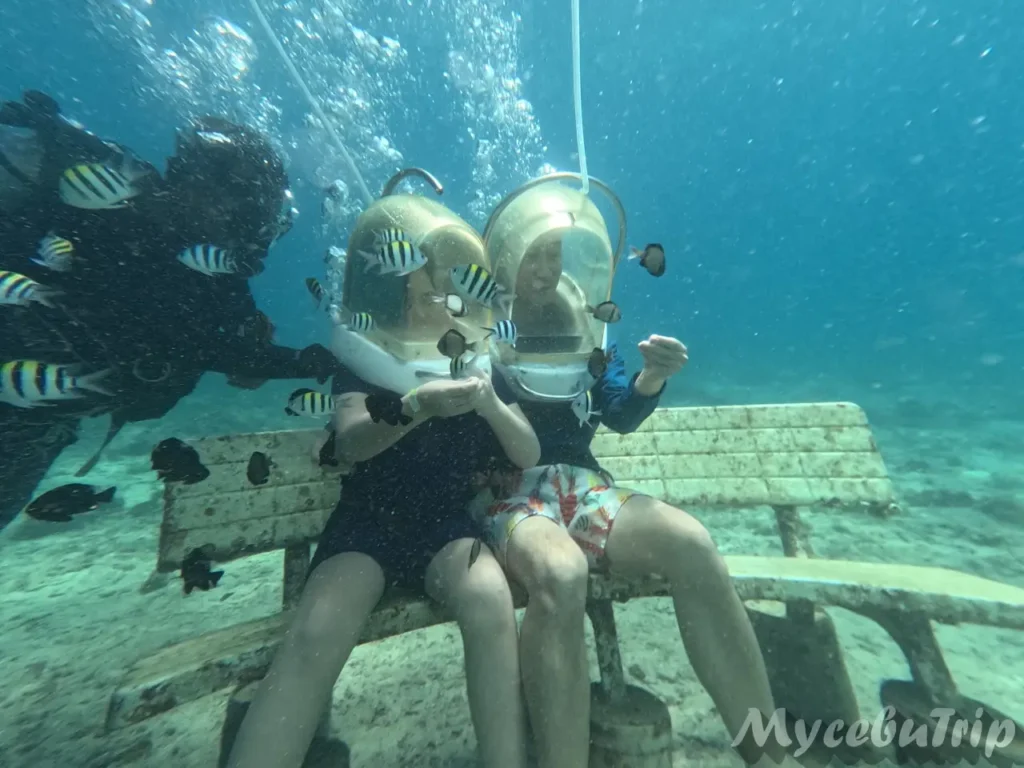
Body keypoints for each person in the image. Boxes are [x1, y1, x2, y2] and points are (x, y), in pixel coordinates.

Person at [469, 176, 801, 768]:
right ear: (504, 255)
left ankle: (771, 756)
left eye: (554, 254)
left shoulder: (584, 315)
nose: (545, 268)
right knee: (562, 573)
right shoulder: (470, 320)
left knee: (692, 543)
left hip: (580, 484)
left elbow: (617, 410)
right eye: (532, 254)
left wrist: (652, 377)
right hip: (504, 493)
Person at [225, 185, 538, 768]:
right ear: (393, 291)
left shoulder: (475, 358)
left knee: (491, 603)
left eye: (447, 291)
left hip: (447, 526)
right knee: (315, 636)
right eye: (423, 292)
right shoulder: (362, 354)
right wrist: (416, 406)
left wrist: (489, 402)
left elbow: (525, 449)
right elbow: (350, 441)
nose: (439, 304)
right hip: (365, 525)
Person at [0, 90, 339, 530]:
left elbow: (228, 343)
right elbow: (192, 344)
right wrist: (304, 361)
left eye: (264, 219)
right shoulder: (110, 213)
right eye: (249, 212)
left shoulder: (212, 271)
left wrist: (262, 349)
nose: (252, 232)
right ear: (198, 186)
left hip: (40, 422)